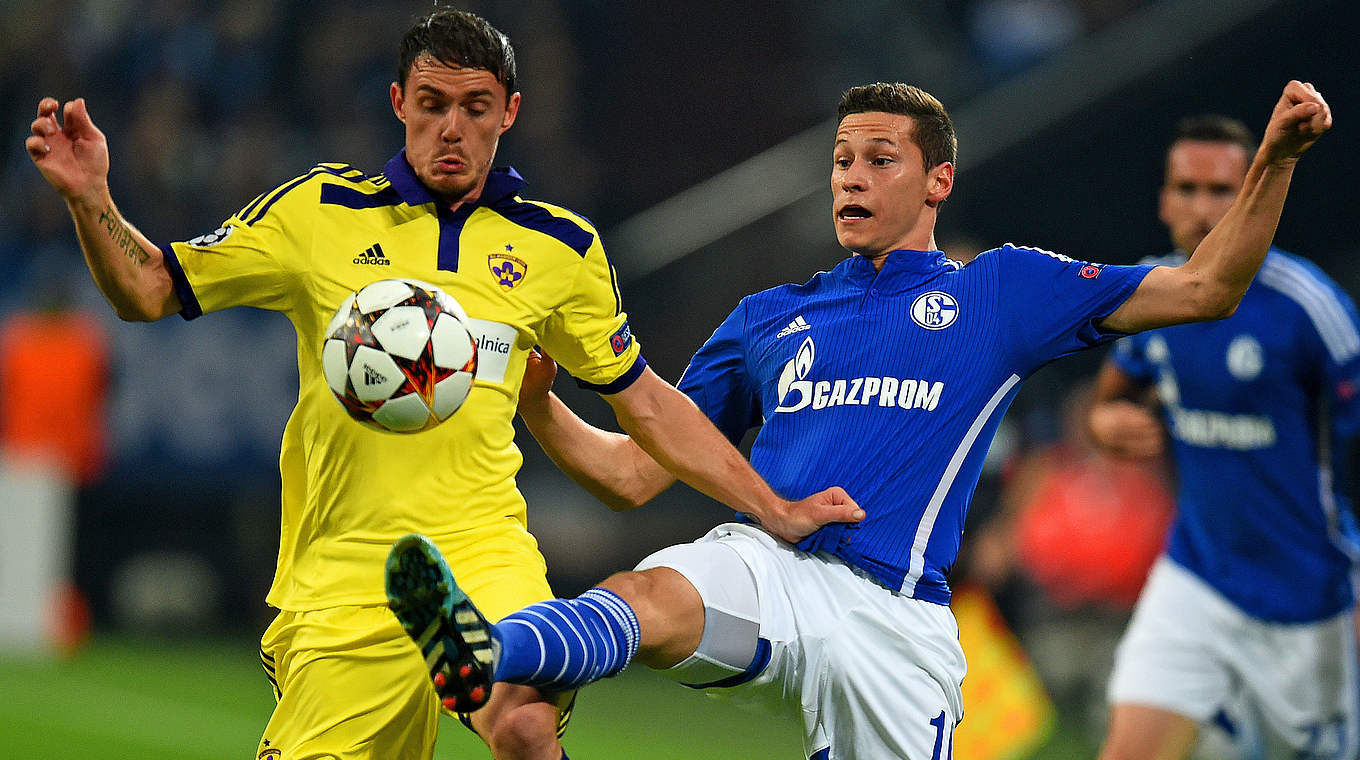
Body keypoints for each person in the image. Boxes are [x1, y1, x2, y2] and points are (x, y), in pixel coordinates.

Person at [385, 79, 1332, 759]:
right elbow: (634, 475)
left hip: (895, 622)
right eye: (842, 159)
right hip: (774, 567)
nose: (852, 177)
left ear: (938, 182)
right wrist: (545, 408)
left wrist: (1276, 162)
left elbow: (1207, 287)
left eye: (881, 160)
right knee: (644, 598)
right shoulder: (769, 320)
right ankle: (484, 648)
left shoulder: (1001, 291)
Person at [24, 9, 858, 760]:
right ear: (398, 104)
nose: (451, 128)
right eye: (432, 105)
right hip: (341, 575)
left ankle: (478, 664)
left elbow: (643, 403)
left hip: (480, 554)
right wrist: (93, 197)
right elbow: (152, 290)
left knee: (524, 725)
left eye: (474, 107)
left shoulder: (557, 249)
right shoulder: (320, 212)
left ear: (510, 114)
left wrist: (771, 508)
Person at [1086, 115, 1360, 760]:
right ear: (1163, 201)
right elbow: (1109, 401)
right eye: (1186, 188)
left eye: (1222, 192)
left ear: (1255, 200)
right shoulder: (1150, 297)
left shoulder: (1308, 307)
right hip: (1197, 580)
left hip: (1308, 601)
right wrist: (1106, 425)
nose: (1201, 208)